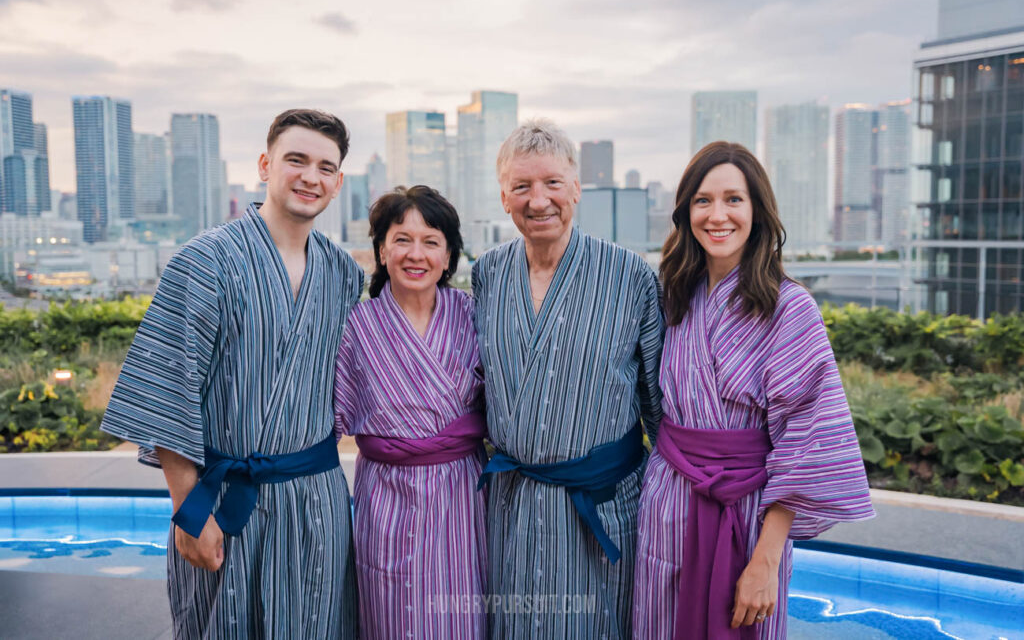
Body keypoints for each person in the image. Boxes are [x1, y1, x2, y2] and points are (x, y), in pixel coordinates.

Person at [101, 109, 362, 639]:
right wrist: (189, 513)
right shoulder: (203, 261)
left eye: (325, 167)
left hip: (316, 501)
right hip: (221, 505)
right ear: (266, 165)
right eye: (296, 160)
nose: (311, 176)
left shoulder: (343, 274)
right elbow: (167, 394)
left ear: (337, 184)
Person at [632, 141, 875, 639]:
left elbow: (806, 441)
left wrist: (765, 561)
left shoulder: (790, 308)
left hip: (749, 514)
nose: (717, 215)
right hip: (667, 501)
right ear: (685, 212)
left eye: (733, 200)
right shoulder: (675, 296)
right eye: (702, 201)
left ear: (757, 210)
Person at [472, 119, 663, 638]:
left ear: (576, 187)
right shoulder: (487, 273)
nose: (539, 201)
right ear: (504, 196)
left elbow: (659, 408)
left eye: (553, 183)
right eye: (522, 186)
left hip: (601, 502)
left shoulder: (631, 276)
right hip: (512, 504)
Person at [334, 186, 487, 639]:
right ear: (381, 251)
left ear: (448, 256)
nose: (415, 254)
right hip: (387, 498)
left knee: (462, 616)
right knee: (393, 618)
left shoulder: (474, 315)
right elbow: (326, 420)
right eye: (402, 239)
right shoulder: (356, 327)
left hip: (462, 494)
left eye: (431, 241)